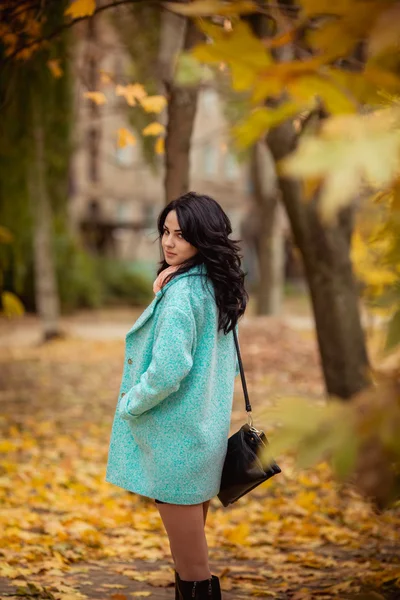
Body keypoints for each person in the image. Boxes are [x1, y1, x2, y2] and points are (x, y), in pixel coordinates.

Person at [105, 192, 248, 599]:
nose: (169, 243)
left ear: (203, 237)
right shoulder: (214, 288)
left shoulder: (184, 295)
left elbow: (169, 370)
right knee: (190, 559)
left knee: (192, 567)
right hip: (202, 438)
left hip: (177, 446)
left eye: (181, 235)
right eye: (165, 232)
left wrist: (131, 401)